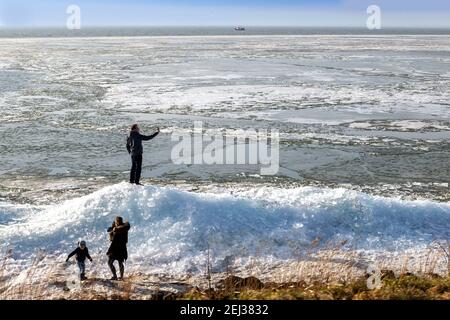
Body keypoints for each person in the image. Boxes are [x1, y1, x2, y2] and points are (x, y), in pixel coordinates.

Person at [107, 216, 131, 281]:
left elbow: (127, 226)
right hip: (114, 248)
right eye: (115, 221)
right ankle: (114, 276)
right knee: (110, 262)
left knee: (120, 263)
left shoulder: (124, 227)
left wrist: (116, 229)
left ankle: (121, 277)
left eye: (117, 221)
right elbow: (111, 238)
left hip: (121, 248)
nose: (116, 222)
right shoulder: (114, 228)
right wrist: (111, 232)